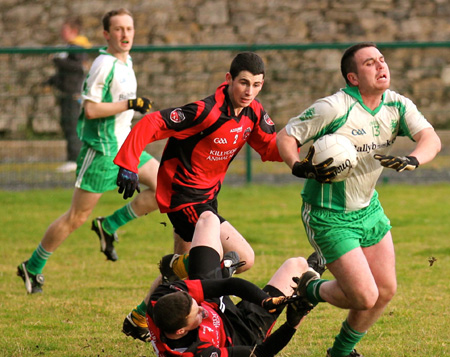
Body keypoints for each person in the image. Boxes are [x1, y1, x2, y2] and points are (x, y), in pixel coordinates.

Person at [113, 52, 327, 337]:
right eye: (243, 83)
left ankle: (140, 316)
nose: (249, 91)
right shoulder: (205, 111)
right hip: (185, 198)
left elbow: (269, 148)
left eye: (257, 85)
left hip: (207, 198)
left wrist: (301, 140)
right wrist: (128, 163)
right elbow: (153, 123)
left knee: (185, 273)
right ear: (229, 80)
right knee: (244, 258)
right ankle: (177, 278)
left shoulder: (253, 113)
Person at [276, 42, 441, 357]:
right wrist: (298, 165)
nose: (382, 67)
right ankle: (308, 290)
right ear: (353, 77)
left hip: (368, 209)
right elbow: (286, 136)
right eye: (370, 63)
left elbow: (430, 138)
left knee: (385, 290)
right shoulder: (333, 108)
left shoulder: (396, 104)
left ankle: (339, 355)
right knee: (365, 296)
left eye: (382, 60)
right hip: (328, 215)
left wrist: (412, 159)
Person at [17, 8, 159, 294]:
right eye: (118, 29)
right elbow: (91, 109)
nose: (125, 34)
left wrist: (132, 111)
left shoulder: (126, 62)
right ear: (107, 34)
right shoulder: (103, 65)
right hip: (102, 151)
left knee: (166, 186)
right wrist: (130, 105)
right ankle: (32, 266)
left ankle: (110, 225)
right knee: (76, 217)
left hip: (125, 145)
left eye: (129, 29)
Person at [144, 210, 319, 357]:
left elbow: (228, 286)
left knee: (207, 219)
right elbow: (260, 354)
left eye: (195, 304)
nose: (201, 311)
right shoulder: (196, 354)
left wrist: (264, 301)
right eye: (196, 313)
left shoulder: (163, 295)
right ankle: (316, 266)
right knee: (296, 265)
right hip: (242, 332)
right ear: (181, 331)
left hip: (214, 302)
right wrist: (292, 324)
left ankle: (191, 266)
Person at [45, 16, 92, 173]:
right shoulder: (68, 47)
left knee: (73, 125)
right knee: (67, 124)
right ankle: (72, 158)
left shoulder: (78, 47)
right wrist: (50, 81)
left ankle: (75, 159)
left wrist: (56, 60)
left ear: (73, 31)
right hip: (65, 92)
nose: (61, 32)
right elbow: (66, 71)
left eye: (64, 29)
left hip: (74, 93)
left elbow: (77, 68)